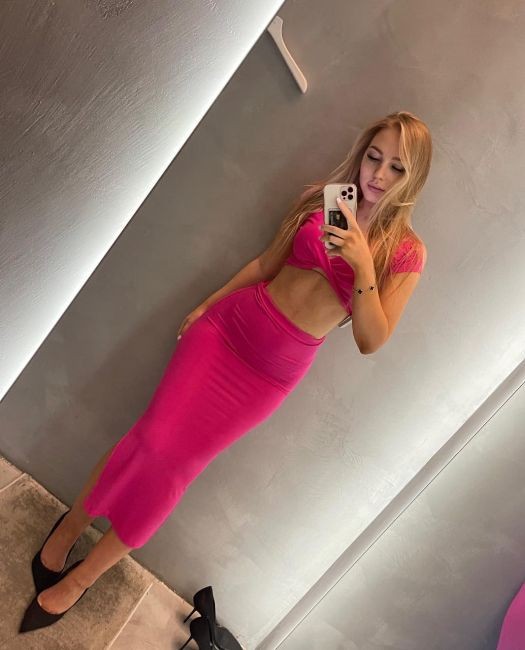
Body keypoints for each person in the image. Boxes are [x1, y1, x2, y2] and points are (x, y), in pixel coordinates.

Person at [19, 110, 432, 633]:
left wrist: (363, 264)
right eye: (374, 157)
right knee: (147, 440)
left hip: (266, 378)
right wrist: (207, 305)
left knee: (172, 472)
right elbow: (266, 264)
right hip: (225, 332)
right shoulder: (328, 201)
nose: (379, 174)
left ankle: (83, 578)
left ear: (413, 176)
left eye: (396, 167)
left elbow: (371, 340)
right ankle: (67, 531)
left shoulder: (406, 253)